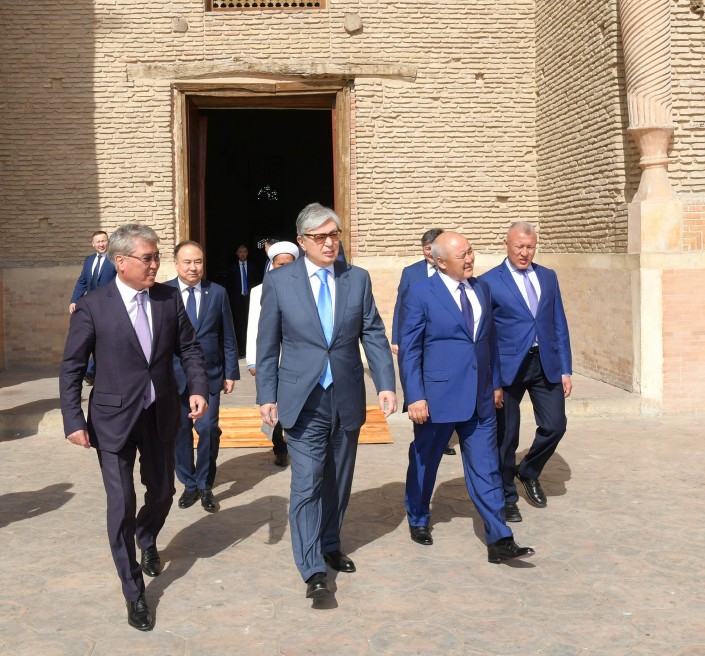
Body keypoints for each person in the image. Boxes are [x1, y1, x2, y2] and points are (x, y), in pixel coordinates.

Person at [59, 224, 209, 632]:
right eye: (148, 258)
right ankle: (133, 591)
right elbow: (72, 367)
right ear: (120, 261)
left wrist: (198, 387)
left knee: (162, 493)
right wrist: (72, 419)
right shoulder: (93, 306)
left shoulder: (168, 298)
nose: (156, 264)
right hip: (111, 421)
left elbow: (189, 348)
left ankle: (147, 537)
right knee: (121, 503)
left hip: (159, 414)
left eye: (157, 256)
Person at [256, 202, 397, 599]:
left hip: (346, 395)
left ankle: (331, 542)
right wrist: (266, 394)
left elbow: (373, 332)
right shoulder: (280, 282)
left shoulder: (357, 279)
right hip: (302, 398)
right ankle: (312, 567)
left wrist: (386, 383)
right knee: (308, 481)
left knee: (339, 478)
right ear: (302, 241)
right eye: (320, 237)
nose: (330, 243)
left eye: (334, 235)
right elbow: (267, 344)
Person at [398, 231, 534, 563]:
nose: (470, 259)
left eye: (471, 252)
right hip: (437, 399)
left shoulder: (481, 288)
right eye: (462, 256)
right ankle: (418, 516)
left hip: (480, 397)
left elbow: (489, 341)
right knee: (425, 461)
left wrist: (495, 383)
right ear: (440, 262)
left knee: (486, 467)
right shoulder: (421, 293)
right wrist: (415, 396)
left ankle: (499, 538)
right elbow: (410, 350)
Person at [480, 222, 572, 523]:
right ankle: (507, 495)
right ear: (506, 244)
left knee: (555, 425)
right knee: (506, 436)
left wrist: (565, 368)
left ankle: (529, 470)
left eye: (530, 247)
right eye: (519, 246)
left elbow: (558, 322)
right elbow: (485, 334)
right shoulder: (488, 281)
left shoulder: (548, 276)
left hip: (545, 363)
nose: (524, 252)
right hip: (508, 367)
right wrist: (492, 380)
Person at [166, 240, 239, 514]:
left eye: (198, 261)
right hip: (174, 376)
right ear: (176, 264)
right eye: (187, 262)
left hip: (210, 374)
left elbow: (228, 334)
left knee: (207, 428)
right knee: (180, 431)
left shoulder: (217, 292)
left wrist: (230, 372)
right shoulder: (163, 293)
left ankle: (205, 483)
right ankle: (189, 483)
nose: (193, 267)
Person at [391, 228, 455, 456]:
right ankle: (422, 435)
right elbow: (400, 305)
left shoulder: (451, 270)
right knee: (418, 387)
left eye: (432, 248)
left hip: (441, 341)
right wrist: (396, 337)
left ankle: (443, 439)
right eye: (426, 249)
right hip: (416, 339)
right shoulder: (411, 272)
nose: (429, 253)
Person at [246, 241, 300, 467]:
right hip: (270, 360)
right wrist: (253, 360)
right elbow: (254, 327)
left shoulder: (305, 288)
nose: (285, 269)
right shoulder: (259, 291)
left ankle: (297, 445)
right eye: (280, 265)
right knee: (272, 405)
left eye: (290, 264)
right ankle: (280, 447)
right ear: (272, 265)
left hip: (296, 360)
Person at [68, 230, 117, 385]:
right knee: (92, 337)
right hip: (92, 307)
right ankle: (91, 371)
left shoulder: (114, 258)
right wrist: (74, 300)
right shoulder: (89, 260)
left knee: (105, 338)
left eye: (104, 241)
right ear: (93, 244)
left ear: (108, 242)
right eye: (98, 242)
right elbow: (82, 281)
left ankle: (90, 371)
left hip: (110, 306)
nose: (101, 244)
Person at [228, 244, 260, 357]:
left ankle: (250, 349)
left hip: (250, 299)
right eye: (240, 252)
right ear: (237, 253)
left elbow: (257, 282)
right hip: (237, 300)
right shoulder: (231, 267)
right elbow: (229, 285)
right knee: (237, 325)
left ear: (248, 253)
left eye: (245, 251)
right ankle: (240, 349)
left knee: (250, 324)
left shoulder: (253, 267)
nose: (243, 254)